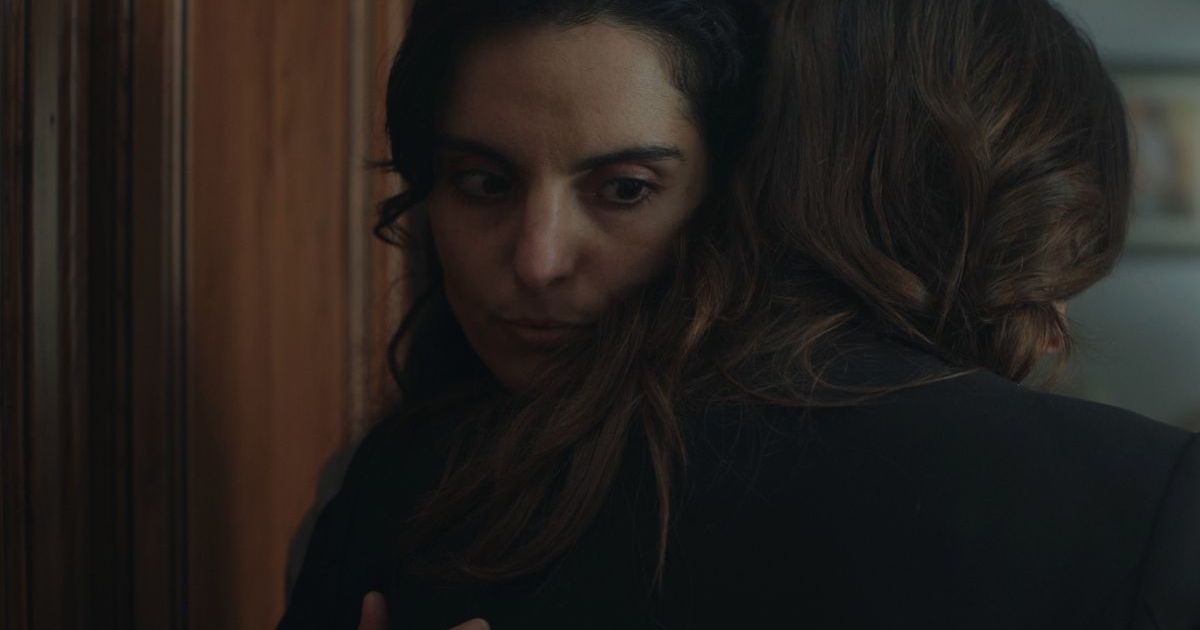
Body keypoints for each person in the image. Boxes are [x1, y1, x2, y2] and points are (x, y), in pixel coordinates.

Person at [281, 0, 1200, 628]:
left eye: (625, 188)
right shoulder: (405, 492)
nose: (538, 260)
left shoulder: (408, 487)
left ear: (733, 198)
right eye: (481, 181)